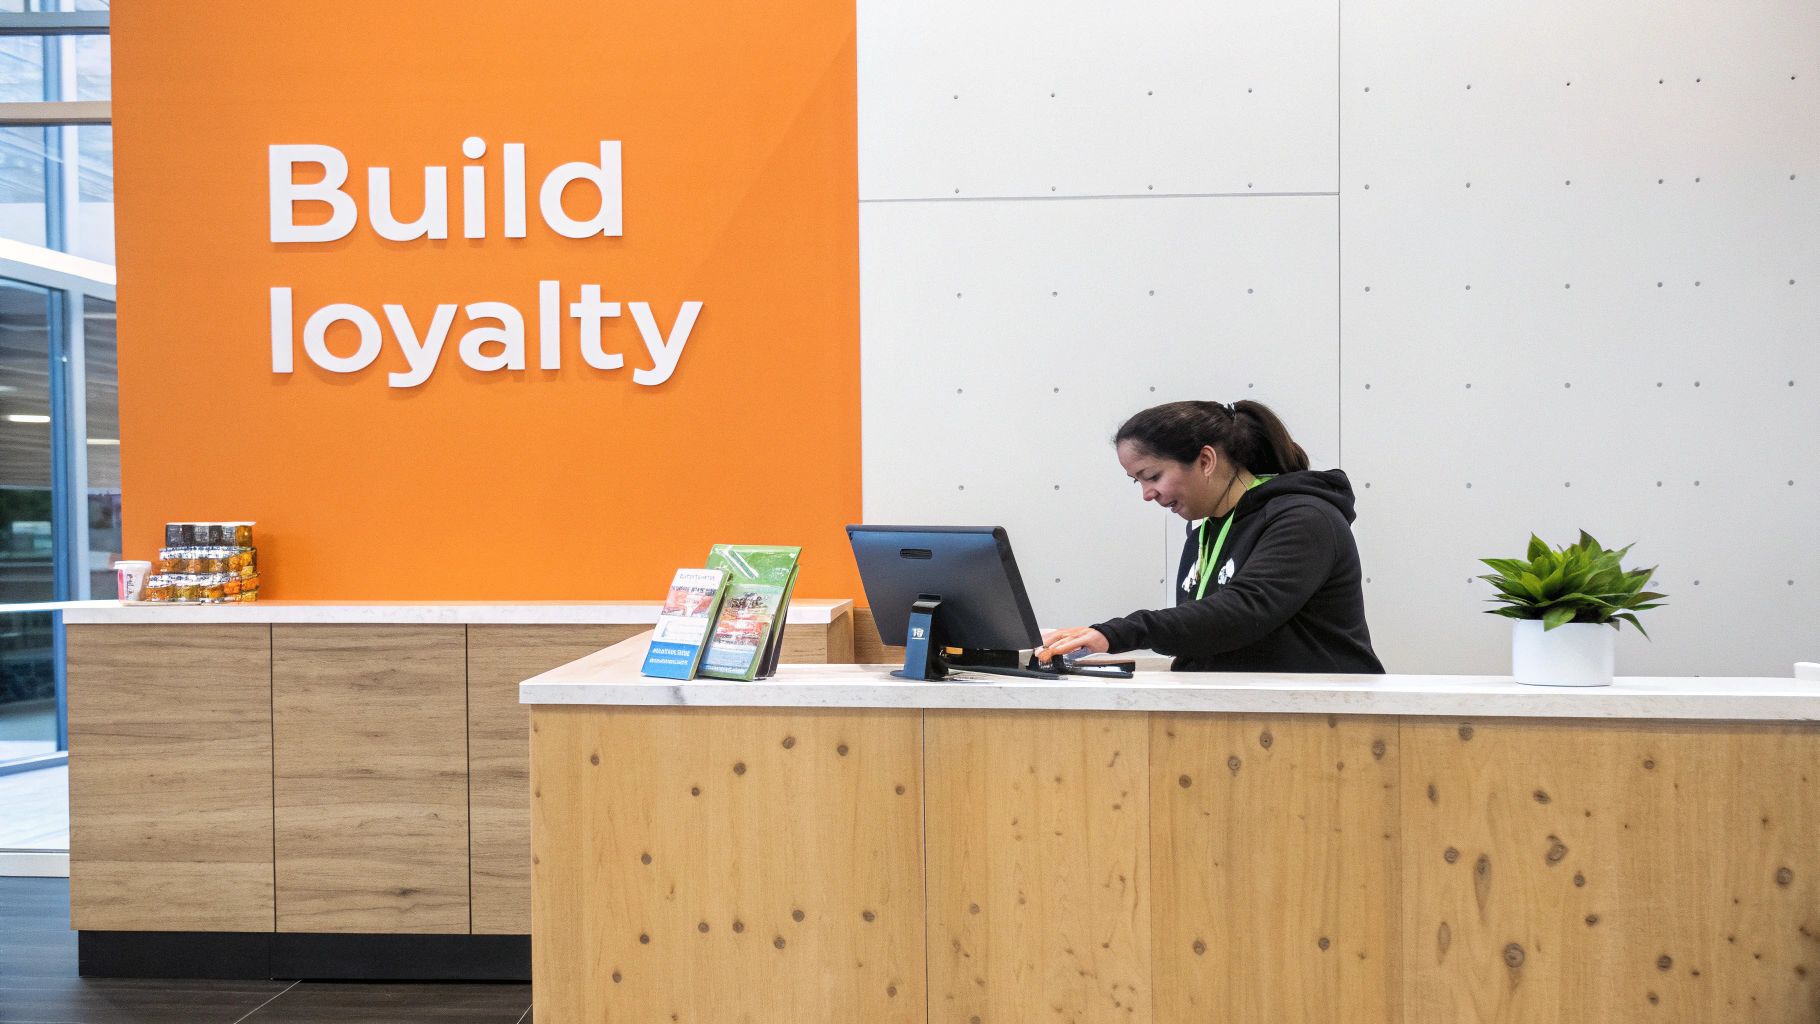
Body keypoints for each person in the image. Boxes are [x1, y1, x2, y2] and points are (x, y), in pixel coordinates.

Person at [1036, 399, 1384, 674]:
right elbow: (1205, 632)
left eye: (1152, 476)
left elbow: (1246, 610)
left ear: (1205, 460)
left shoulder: (1305, 518)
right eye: (1137, 481)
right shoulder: (1206, 532)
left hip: (1321, 721)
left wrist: (1116, 633)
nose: (1147, 494)